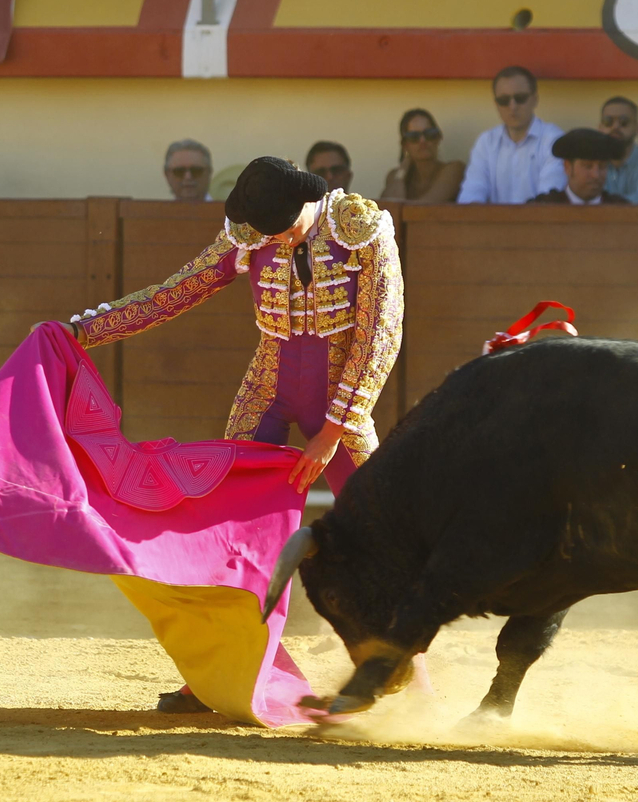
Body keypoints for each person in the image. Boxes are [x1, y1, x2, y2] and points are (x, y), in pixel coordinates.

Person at [61, 156, 403, 710]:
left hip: (343, 402)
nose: (274, 238)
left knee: (388, 534)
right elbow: (176, 292)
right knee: (227, 534)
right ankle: (216, 676)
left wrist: (332, 432)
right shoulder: (249, 232)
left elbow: (379, 337)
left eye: (283, 226)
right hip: (268, 390)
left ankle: (411, 681)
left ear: (307, 205)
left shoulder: (360, 228)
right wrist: (83, 332)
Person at [458, 66, 566, 204]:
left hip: (538, 223)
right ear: (496, 104)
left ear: (535, 100)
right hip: (494, 224)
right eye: (504, 100)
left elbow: (549, 196)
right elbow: (472, 193)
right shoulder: (486, 142)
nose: (512, 106)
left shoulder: (553, 140)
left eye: (520, 98)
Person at [380, 108, 466, 203]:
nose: (423, 141)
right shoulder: (395, 175)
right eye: (413, 136)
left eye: (430, 134)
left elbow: (426, 206)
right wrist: (403, 169)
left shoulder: (454, 170)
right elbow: (390, 207)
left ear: (438, 138)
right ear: (404, 144)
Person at [529, 128, 630, 204]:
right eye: (587, 166)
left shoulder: (621, 210)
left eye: (602, 167)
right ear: (567, 167)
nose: (595, 175)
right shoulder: (544, 207)